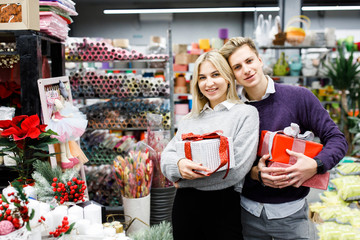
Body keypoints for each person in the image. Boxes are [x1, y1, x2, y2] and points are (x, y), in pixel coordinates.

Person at [220, 37, 348, 240]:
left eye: (249, 61)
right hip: (246, 216)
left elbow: (337, 139)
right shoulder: (233, 111)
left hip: (293, 218)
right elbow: (226, 166)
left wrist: (316, 165)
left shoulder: (299, 98)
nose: (246, 70)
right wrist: (254, 174)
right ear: (232, 75)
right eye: (237, 67)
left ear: (260, 60)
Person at [161, 50, 259, 240]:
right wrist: (179, 165)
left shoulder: (245, 114)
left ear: (228, 78)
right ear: (197, 84)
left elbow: (236, 170)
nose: (209, 83)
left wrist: (182, 180)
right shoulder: (190, 118)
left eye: (215, 75)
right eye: (202, 78)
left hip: (224, 205)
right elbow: (167, 157)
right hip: (185, 208)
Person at [47, 98, 88, 169]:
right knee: (62, 143)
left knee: (66, 141)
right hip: (58, 126)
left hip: (62, 124)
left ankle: (69, 156)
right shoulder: (54, 113)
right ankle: (64, 159)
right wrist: (55, 119)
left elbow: (62, 116)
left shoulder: (58, 112)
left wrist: (68, 116)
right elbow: (53, 118)